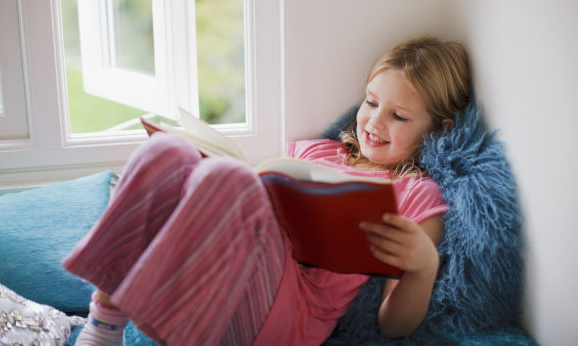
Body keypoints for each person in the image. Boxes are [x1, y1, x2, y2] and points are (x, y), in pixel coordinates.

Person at [63, 35, 470, 346]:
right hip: (240, 270)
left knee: (231, 181)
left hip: (292, 313)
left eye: (398, 115)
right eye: (370, 102)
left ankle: (167, 318)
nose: (373, 122)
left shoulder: (416, 193)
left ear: (439, 128)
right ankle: (103, 327)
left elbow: (393, 325)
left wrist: (422, 268)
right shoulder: (317, 150)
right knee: (167, 149)